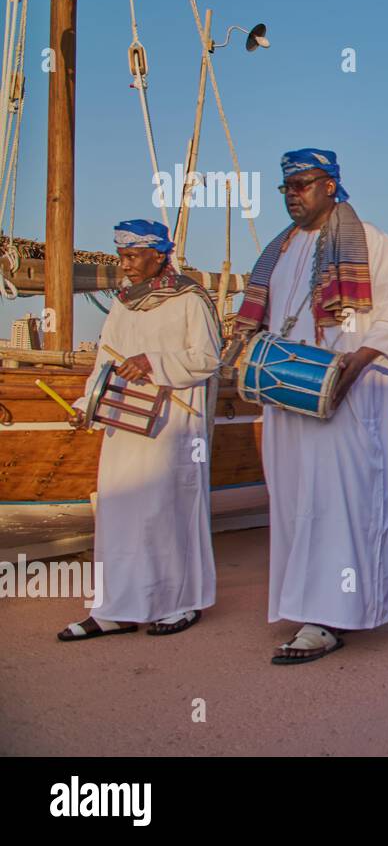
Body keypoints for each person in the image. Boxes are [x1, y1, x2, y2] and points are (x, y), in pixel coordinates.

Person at [229, 148, 388, 664]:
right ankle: (306, 605)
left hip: (349, 399)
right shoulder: (278, 251)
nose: (292, 194)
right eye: (286, 187)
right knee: (294, 502)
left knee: (338, 502)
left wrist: (344, 375)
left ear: (331, 185)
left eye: (303, 184)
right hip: (287, 399)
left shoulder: (370, 242)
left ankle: (334, 615)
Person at [58, 220, 221, 642]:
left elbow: (207, 358)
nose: (123, 265)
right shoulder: (123, 304)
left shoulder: (190, 298)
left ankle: (179, 603)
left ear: (159, 254)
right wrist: (84, 406)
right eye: (121, 256)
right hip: (122, 423)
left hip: (174, 425)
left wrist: (153, 360)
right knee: (118, 513)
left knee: (165, 513)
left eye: (131, 256)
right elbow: (104, 363)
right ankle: (115, 609)